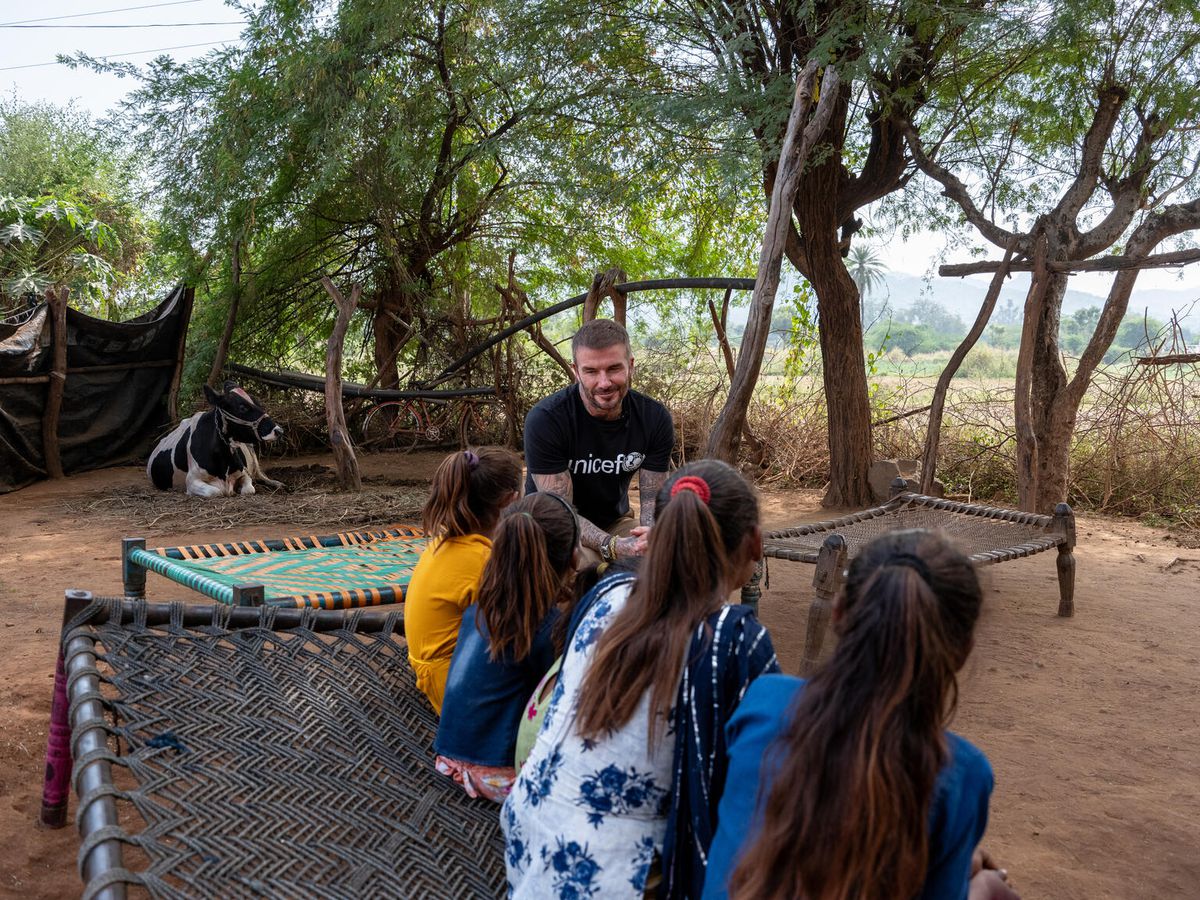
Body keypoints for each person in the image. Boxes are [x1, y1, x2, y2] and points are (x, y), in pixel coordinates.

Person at [502, 459, 779, 899]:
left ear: (654, 539)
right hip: (618, 880)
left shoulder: (606, 594)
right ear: (756, 544)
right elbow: (754, 776)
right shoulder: (734, 638)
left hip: (529, 836)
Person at [702, 529, 1020, 900]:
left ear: (837, 616)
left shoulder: (764, 704)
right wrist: (983, 889)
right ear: (963, 651)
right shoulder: (960, 773)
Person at [434, 492, 580, 803]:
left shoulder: (481, 608)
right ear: (574, 559)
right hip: (497, 774)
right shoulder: (544, 627)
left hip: (448, 761)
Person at [523, 318, 674, 567]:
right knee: (579, 571)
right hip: (554, 526)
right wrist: (611, 546)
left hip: (617, 522)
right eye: (591, 371)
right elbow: (561, 511)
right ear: (576, 371)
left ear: (631, 366)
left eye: (614, 368)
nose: (604, 383)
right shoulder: (547, 419)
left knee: (668, 562)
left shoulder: (653, 418)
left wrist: (651, 537)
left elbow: (651, 503)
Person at [404, 447, 521, 713]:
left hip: (435, 671)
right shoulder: (482, 561)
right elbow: (514, 631)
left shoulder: (443, 544)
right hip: (456, 689)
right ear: (510, 500)